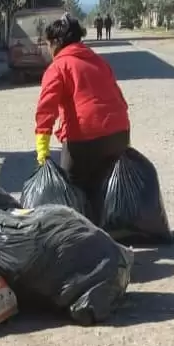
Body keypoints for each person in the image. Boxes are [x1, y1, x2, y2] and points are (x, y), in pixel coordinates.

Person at [34, 14, 130, 224]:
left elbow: (46, 109)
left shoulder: (59, 67)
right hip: (118, 135)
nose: (48, 50)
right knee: (103, 189)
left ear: (57, 43)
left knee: (72, 192)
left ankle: (83, 241)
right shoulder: (98, 61)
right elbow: (118, 99)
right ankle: (106, 235)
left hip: (84, 138)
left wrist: (42, 149)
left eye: (48, 44)